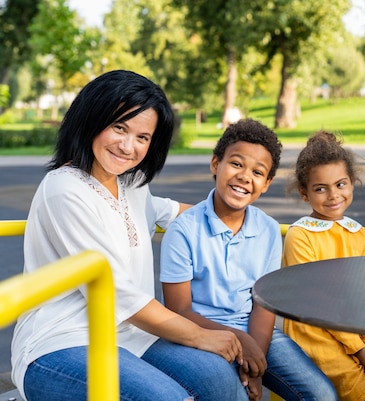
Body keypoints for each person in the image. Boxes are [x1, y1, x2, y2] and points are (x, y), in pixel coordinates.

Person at [11, 70, 245, 401]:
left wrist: (248, 221)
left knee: (219, 378)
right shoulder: (64, 189)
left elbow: (175, 212)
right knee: (167, 398)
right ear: (91, 119)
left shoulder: (132, 183)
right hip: (61, 341)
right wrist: (197, 334)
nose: (128, 146)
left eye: (142, 137)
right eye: (119, 127)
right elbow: (118, 293)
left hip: (133, 335)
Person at [159, 119, 337, 401]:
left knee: (322, 395)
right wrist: (239, 342)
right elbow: (179, 310)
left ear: (266, 184)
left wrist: (254, 359)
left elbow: (263, 304)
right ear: (216, 164)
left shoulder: (267, 229)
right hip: (200, 335)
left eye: (257, 172)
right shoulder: (183, 230)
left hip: (255, 333)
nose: (245, 176)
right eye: (237, 164)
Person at [282, 130, 365, 401]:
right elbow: (318, 302)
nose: (333, 195)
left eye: (341, 184)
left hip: (358, 328)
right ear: (304, 193)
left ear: (352, 183)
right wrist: (359, 350)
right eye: (320, 188)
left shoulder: (361, 234)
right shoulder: (301, 235)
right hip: (315, 332)